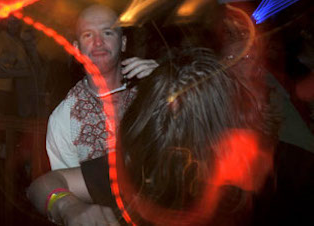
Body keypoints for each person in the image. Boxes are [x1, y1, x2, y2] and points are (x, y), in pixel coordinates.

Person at [28, 48, 300, 225]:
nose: (178, 167)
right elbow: (44, 185)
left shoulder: (290, 179)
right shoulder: (146, 161)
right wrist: (65, 206)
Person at [46, 4, 158, 169]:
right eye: (88, 35)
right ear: (76, 49)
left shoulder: (152, 91)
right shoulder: (63, 119)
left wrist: (167, 84)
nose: (98, 42)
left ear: (123, 43)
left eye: (107, 32)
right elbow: (67, 187)